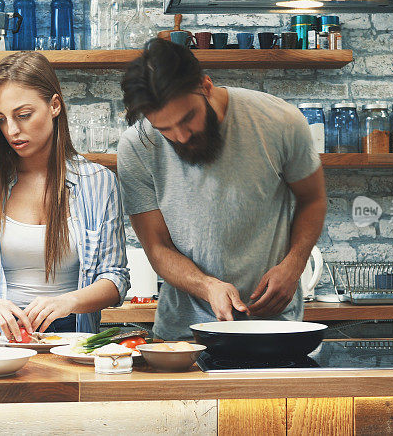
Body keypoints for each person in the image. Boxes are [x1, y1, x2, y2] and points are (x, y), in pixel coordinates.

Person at [117, 39, 327, 341]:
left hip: (274, 327)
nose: (180, 136)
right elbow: (157, 248)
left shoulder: (280, 121)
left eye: (188, 118)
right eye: (164, 129)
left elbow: (313, 199)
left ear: (206, 86)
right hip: (182, 335)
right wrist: (208, 286)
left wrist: (294, 265)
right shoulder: (137, 146)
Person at [0, 51, 129, 341]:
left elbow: (116, 278)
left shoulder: (98, 183)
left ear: (54, 105)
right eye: (1, 119)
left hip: (71, 343)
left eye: (23, 115)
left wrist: (67, 302)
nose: (12, 130)